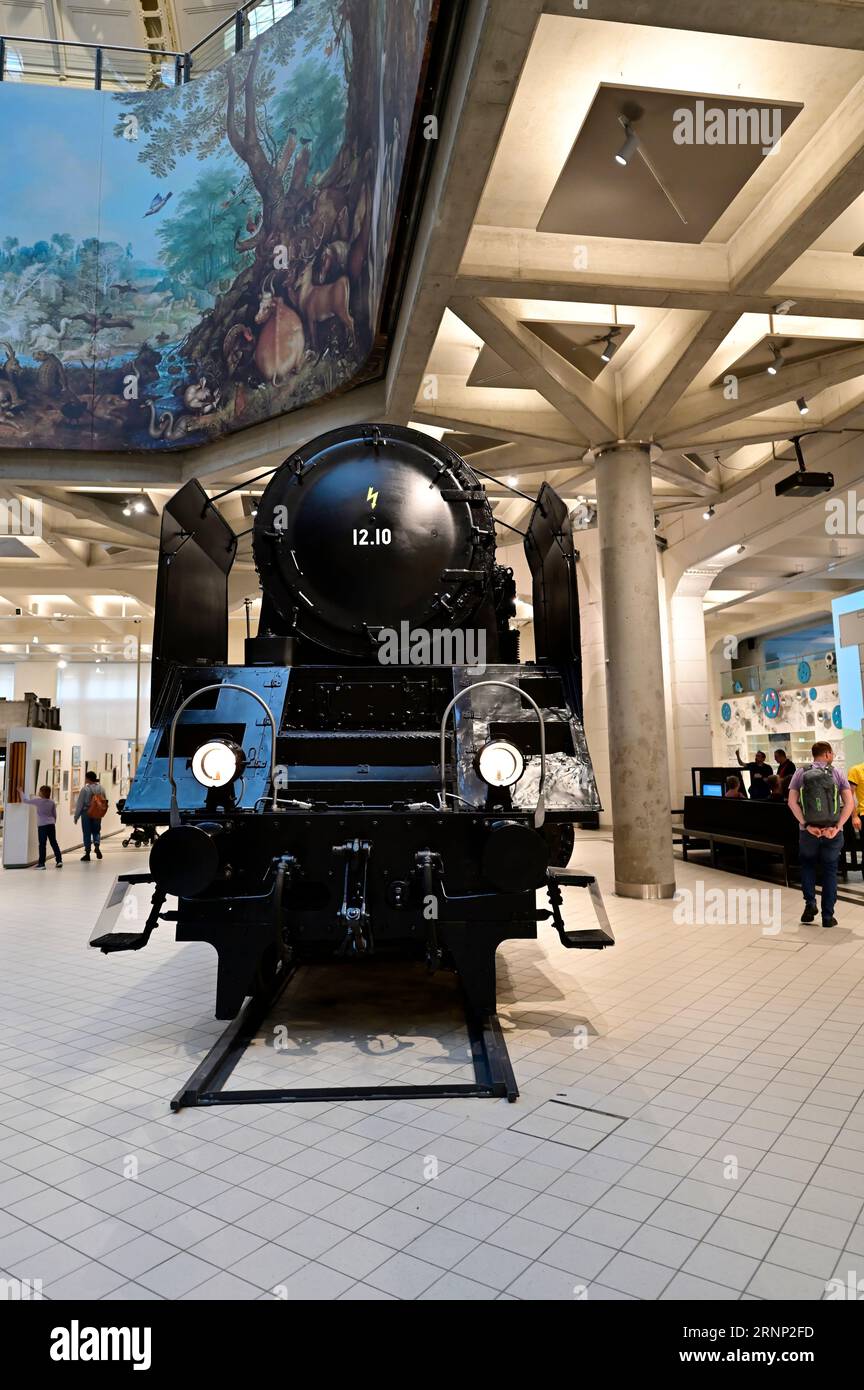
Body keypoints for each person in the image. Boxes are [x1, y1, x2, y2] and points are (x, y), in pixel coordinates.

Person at [787, 741, 853, 928]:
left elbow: (792, 802)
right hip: (832, 830)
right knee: (830, 871)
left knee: (808, 866)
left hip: (809, 831)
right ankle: (827, 916)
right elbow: (848, 803)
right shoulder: (837, 773)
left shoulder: (800, 773)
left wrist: (806, 824)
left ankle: (810, 903)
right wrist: (837, 826)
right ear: (827, 754)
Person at [18, 784, 62, 869]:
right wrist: (52, 822)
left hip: (42, 825)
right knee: (54, 842)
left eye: (40, 791)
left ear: (42, 793)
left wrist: (20, 791)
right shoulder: (52, 802)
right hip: (51, 825)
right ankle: (59, 860)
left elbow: (25, 800)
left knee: (42, 844)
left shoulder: (38, 801)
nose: (39, 792)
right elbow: (54, 815)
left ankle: (41, 864)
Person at [74, 770, 107, 862]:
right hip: (97, 813)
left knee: (87, 833)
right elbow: (104, 800)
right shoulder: (101, 788)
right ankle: (96, 845)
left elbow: (80, 804)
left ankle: (87, 853)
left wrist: (76, 816)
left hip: (86, 813)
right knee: (96, 831)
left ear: (88, 779)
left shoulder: (85, 789)